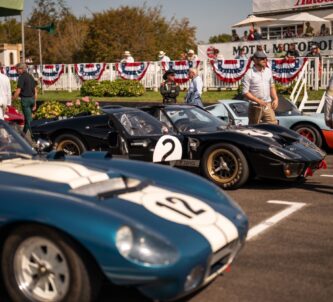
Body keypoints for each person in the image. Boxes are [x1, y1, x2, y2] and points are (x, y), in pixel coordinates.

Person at [242, 51, 278, 125]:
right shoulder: (249, 73)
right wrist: (258, 101)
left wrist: (275, 98)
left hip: (267, 104)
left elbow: (272, 86)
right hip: (255, 106)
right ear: (255, 60)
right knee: (254, 129)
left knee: (274, 126)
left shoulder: (268, 71)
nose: (265, 60)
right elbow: (245, 92)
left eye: (265, 58)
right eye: (262, 58)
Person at [12, 63, 37, 138]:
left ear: (21, 69)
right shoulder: (30, 76)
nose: (16, 71)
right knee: (27, 119)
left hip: (25, 100)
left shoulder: (21, 77)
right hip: (32, 99)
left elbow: (18, 90)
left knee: (29, 120)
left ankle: (34, 137)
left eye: (17, 69)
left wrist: (12, 100)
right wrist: (35, 102)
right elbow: (35, 90)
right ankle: (22, 135)